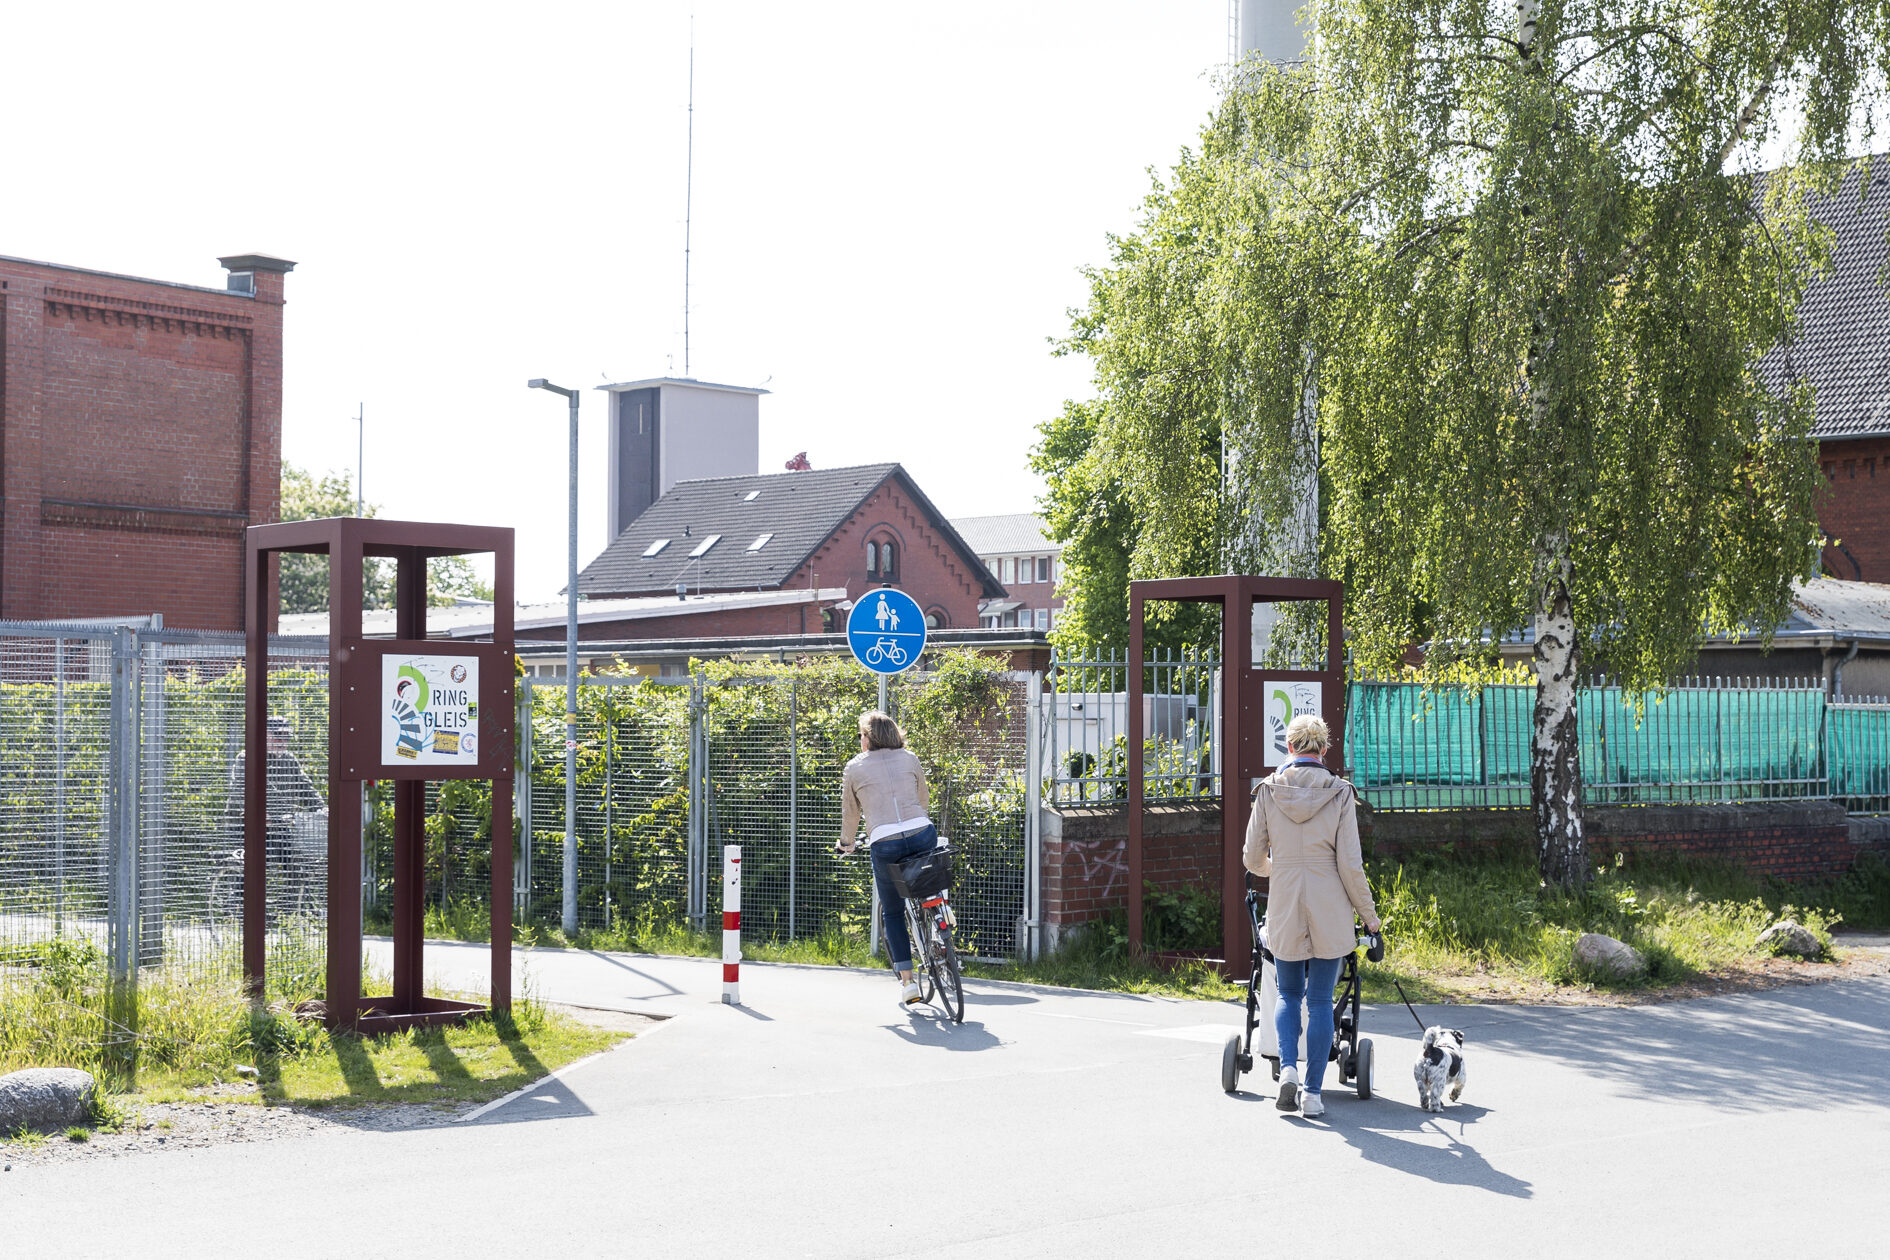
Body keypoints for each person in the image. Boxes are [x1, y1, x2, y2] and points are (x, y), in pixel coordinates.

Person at [1243, 713, 1381, 1119]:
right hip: (1330, 907)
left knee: (1287, 994)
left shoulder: (1268, 791)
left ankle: (1287, 1069)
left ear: (1289, 748)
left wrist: (1279, 868)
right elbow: (1350, 866)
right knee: (1321, 1000)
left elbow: (1252, 858)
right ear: (1324, 749)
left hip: (1285, 902)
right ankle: (1314, 1093)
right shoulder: (1339, 793)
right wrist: (1369, 918)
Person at [837, 710, 936, 1007]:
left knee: (892, 911)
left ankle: (907, 983)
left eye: (860, 735)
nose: (860, 740)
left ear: (868, 738)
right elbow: (923, 798)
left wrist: (847, 844)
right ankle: (941, 923)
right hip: (921, 830)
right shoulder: (909, 757)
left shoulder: (854, 767)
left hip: (885, 841)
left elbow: (851, 813)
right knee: (931, 879)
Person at [225, 715, 326, 874]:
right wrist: (257, 813)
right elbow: (240, 789)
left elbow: (305, 787)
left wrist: (321, 808)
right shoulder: (247, 758)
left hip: (278, 823)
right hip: (245, 825)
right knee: (251, 867)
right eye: (278, 736)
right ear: (264, 734)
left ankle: (291, 897)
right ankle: (237, 898)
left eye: (286, 736)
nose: (282, 741)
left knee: (295, 864)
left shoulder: (289, 760)